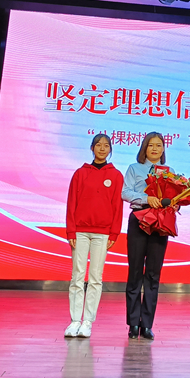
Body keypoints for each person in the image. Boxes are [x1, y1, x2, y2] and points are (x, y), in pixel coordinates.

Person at [64, 134, 123, 338]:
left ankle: (87, 321)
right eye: (98, 145)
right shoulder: (80, 173)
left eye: (106, 145)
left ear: (110, 150)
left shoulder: (116, 176)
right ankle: (75, 321)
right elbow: (71, 203)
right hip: (80, 232)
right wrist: (71, 230)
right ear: (92, 148)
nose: (102, 148)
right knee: (77, 276)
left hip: (102, 233)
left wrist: (114, 232)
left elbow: (117, 207)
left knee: (95, 278)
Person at [121, 132, 169, 340]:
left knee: (153, 274)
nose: (155, 149)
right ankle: (133, 323)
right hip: (139, 219)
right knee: (135, 272)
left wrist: (173, 202)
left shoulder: (169, 173)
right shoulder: (134, 168)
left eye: (159, 145)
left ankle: (147, 324)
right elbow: (125, 193)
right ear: (144, 148)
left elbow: (172, 197)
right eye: (151, 145)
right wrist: (146, 198)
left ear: (163, 149)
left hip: (160, 223)